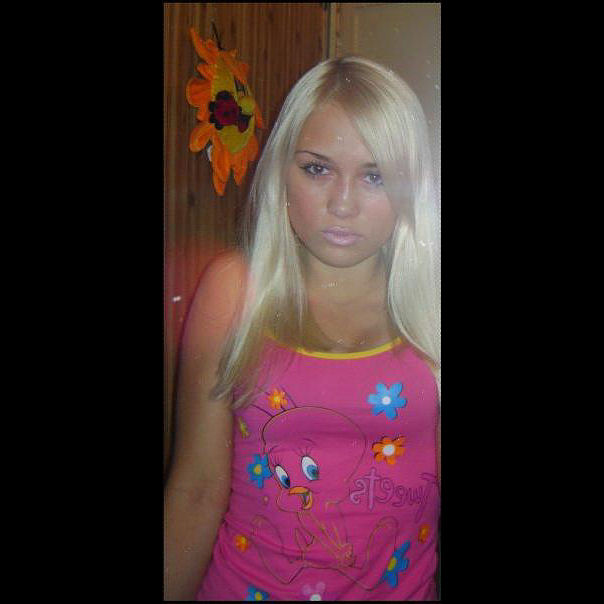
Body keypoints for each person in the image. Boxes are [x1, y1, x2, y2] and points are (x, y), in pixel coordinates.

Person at [164, 55, 441, 601]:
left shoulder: (433, 305)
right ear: (281, 172)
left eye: (375, 176)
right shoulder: (232, 292)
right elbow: (194, 490)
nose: (342, 203)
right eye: (318, 169)